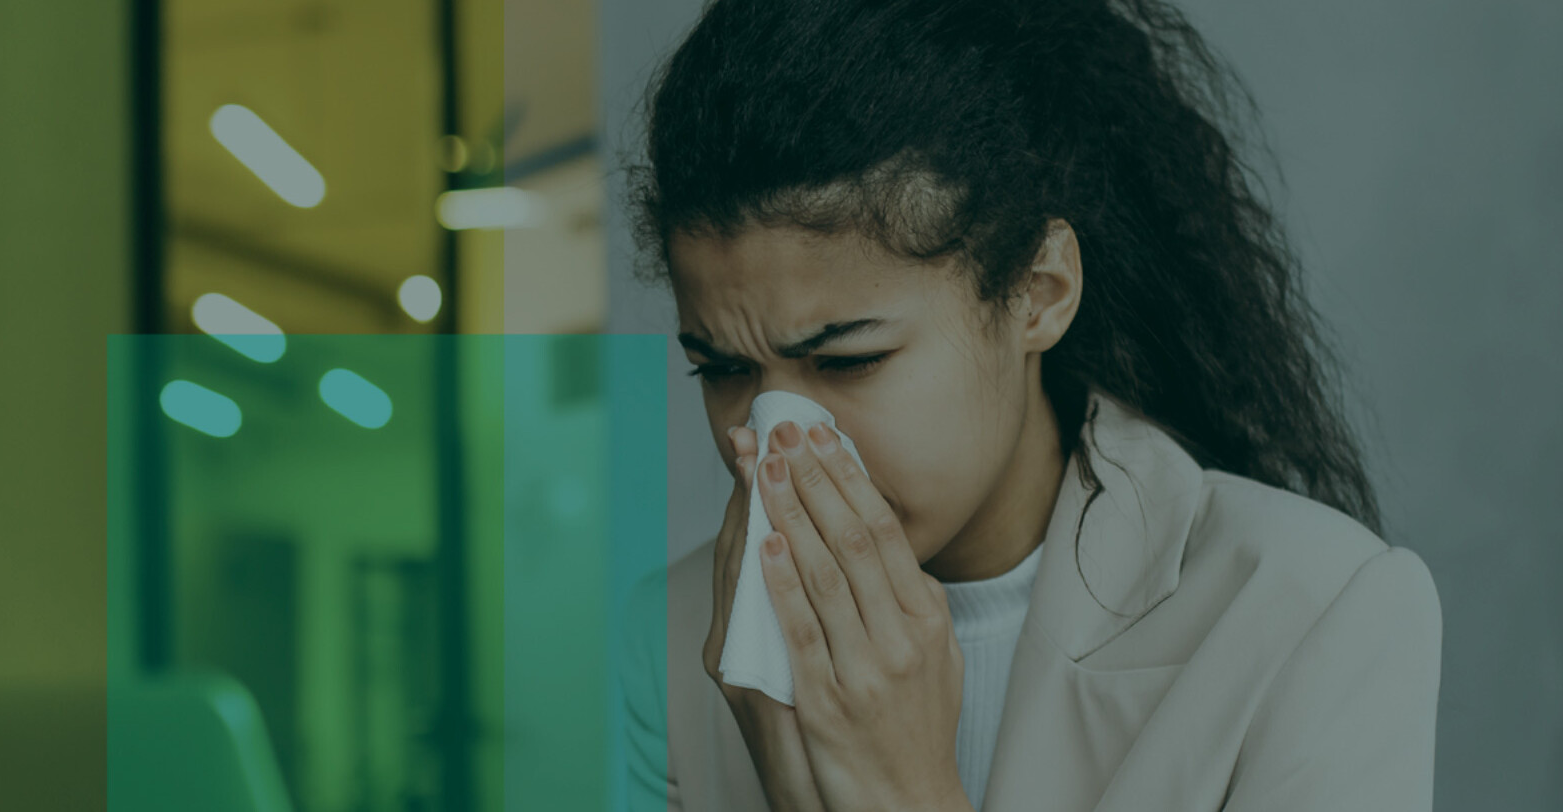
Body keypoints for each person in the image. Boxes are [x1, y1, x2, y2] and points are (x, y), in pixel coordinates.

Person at [616, 1, 1443, 810]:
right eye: (721, 371)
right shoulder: (664, 649)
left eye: (849, 360)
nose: (779, 443)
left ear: (1038, 294)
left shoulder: (1314, 612)